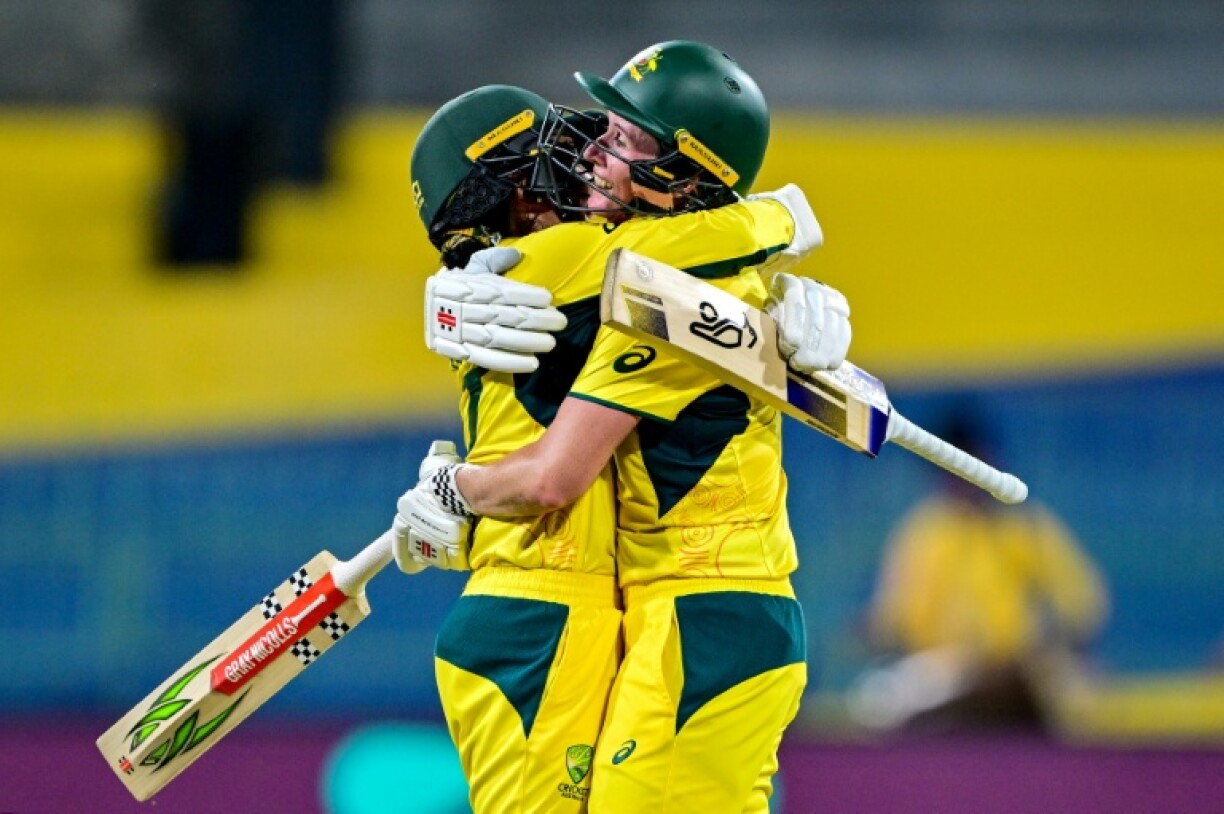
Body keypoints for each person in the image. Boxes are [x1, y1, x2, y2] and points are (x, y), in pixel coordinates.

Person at [397, 41, 850, 812]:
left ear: (681, 171)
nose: (586, 159)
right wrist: (780, 218)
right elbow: (551, 475)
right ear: (509, 198)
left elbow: (551, 473)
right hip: (591, 612)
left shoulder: (647, 290)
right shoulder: (590, 270)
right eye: (561, 155)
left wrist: (454, 488)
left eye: (617, 140)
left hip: (687, 613)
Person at [849, 406, 1110, 733]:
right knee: (877, 703)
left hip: (1020, 668)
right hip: (947, 671)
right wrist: (872, 631)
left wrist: (1057, 642)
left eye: (973, 462)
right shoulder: (924, 533)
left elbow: (1082, 602)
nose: (964, 477)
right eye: (954, 466)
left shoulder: (1024, 525)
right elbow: (893, 618)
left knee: (1075, 693)